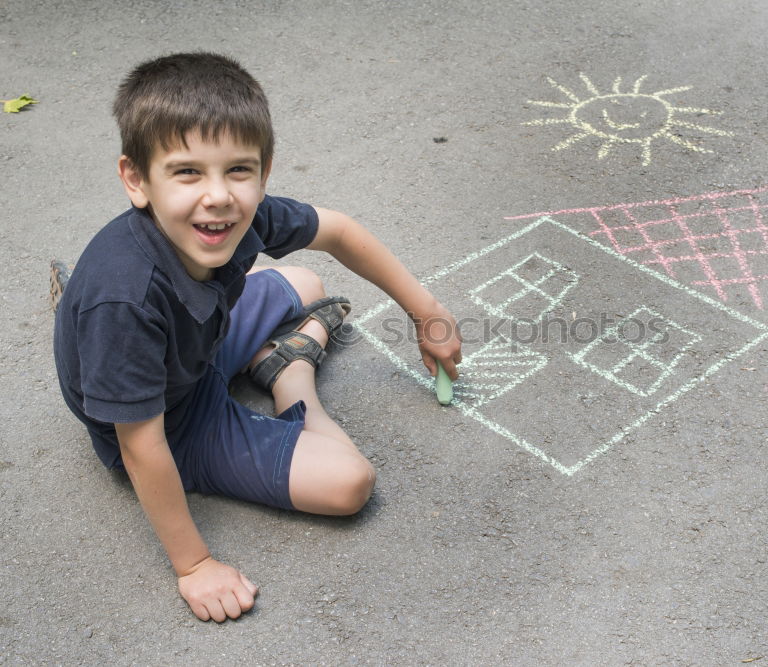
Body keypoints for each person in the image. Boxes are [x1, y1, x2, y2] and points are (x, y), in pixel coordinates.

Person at [52, 52, 462, 623]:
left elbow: (339, 231)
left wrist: (429, 313)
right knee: (350, 483)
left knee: (305, 278)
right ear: (136, 180)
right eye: (187, 172)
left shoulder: (237, 217)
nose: (218, 196)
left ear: (264, 172)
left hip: (200, 342)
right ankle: (291, 374)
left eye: (238, 170)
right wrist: (194, 566)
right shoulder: (124, 301)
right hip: (173, 421)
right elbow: (141, 447)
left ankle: (271, 355)